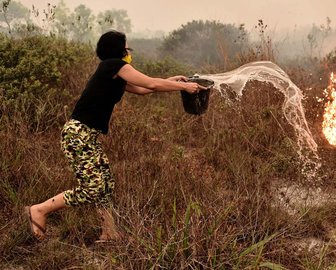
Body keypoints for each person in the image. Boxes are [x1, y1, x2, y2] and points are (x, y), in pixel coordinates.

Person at [24, 30, 205, 242]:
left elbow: (145, 89)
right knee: (93, 188)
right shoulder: (114, 65)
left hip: (86, 135)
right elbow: (151, 83)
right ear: (118, 49)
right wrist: (183, 86)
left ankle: (109, 232)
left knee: (106, 184)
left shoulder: (114, 72)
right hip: (78, 134)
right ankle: (39, 210)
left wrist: (172, 81)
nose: (128, 51)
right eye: (126, 47)